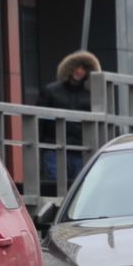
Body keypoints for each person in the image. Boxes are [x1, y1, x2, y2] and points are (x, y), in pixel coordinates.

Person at [37, 50, 100, 192]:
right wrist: (40, 146)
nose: (79, 71)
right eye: (76, 67)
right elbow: (39, 121)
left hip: (80, 150)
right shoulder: (50, 91)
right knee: (55, 188)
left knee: (78, 190)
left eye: (84, 68)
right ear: (69, 68)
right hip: (53, 148)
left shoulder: (90, 96)